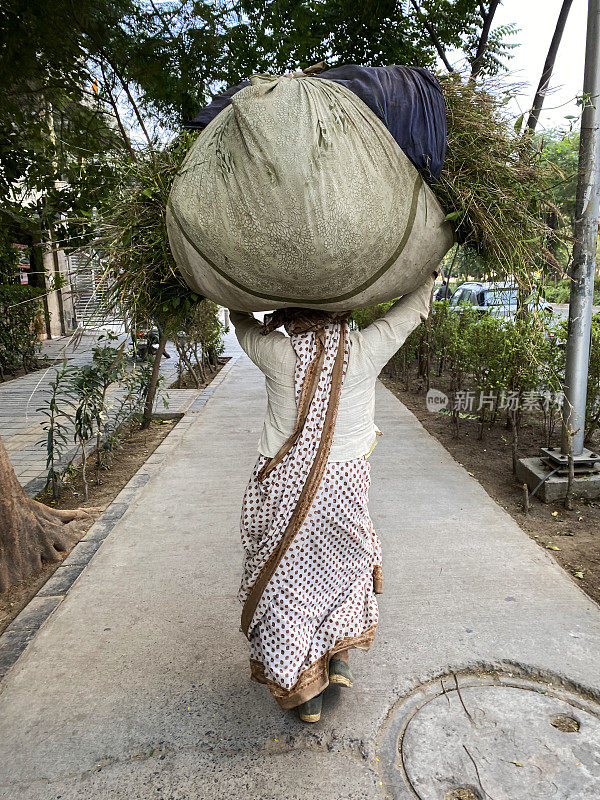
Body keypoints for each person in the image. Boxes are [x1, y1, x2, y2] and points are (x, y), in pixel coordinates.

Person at [229, 270, 437, 722]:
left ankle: (304, 693)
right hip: (344, 488)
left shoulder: (278, 352)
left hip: (284, 491)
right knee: (346, 572)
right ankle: (338, 658)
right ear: (345, 310)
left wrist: (231, 297)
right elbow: (410, 312)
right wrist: (430, 273)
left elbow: (242, 325)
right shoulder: (365, 348)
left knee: (289, 586)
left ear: (294, 314)